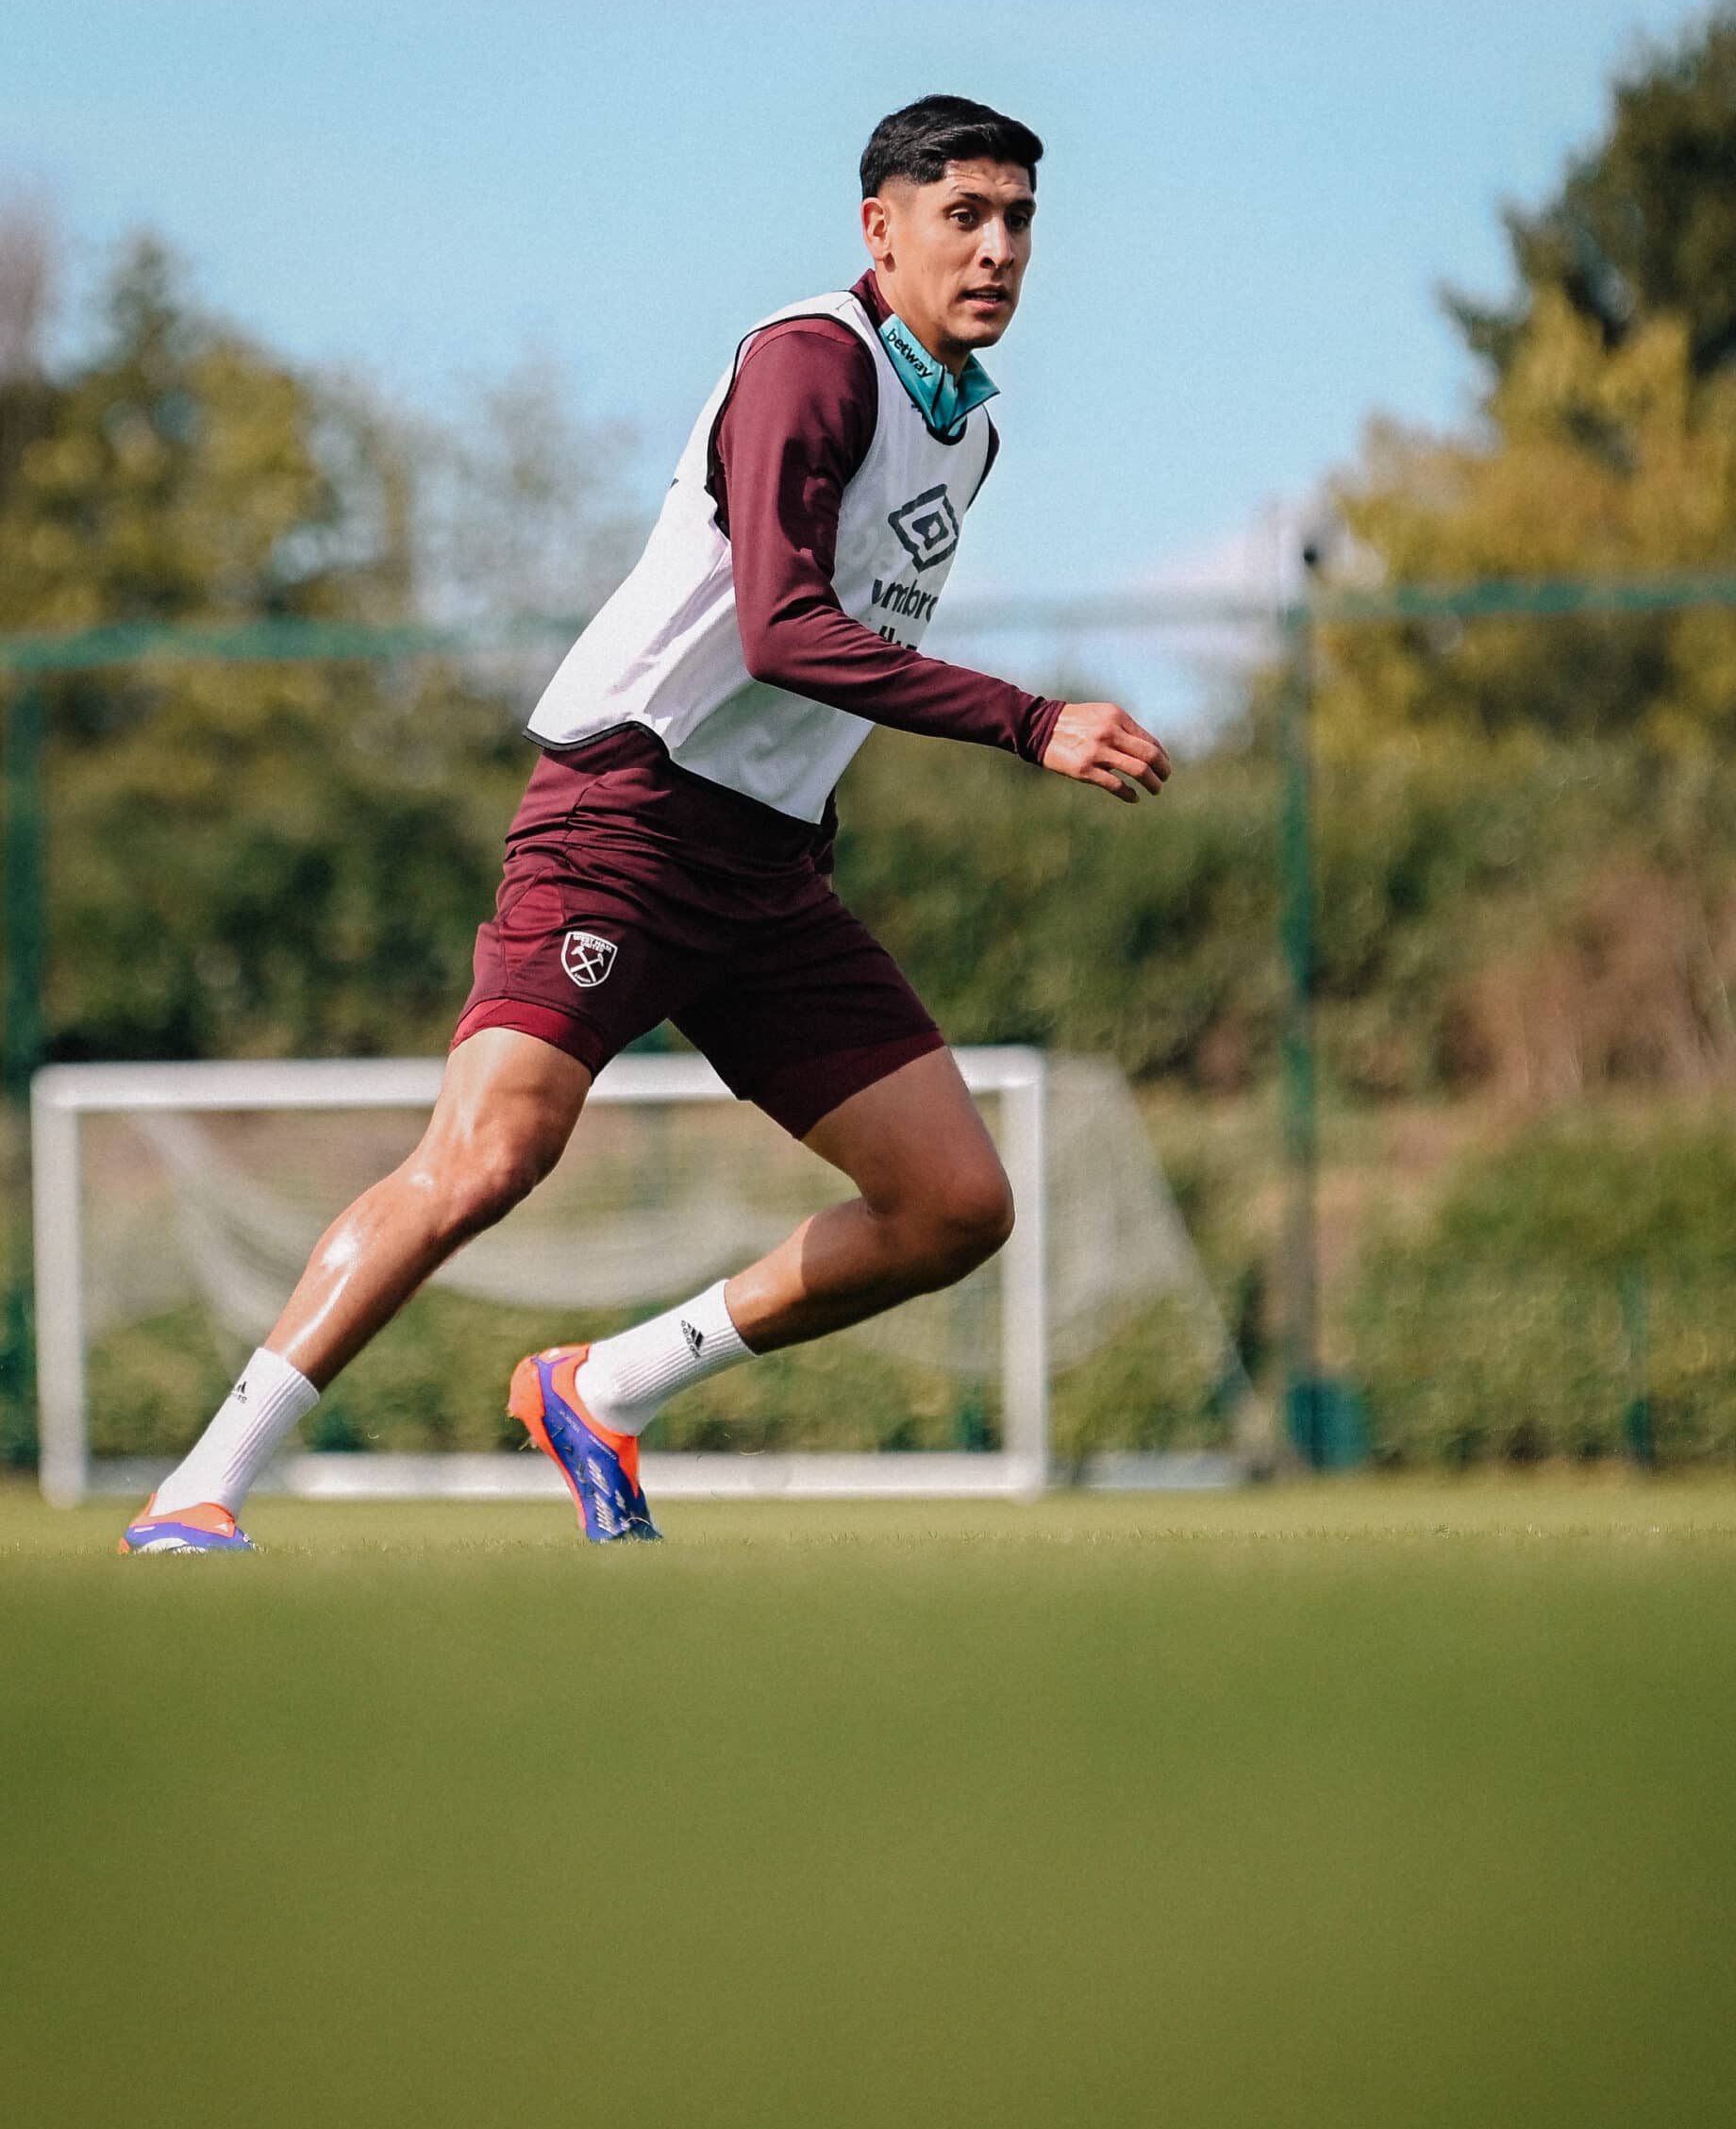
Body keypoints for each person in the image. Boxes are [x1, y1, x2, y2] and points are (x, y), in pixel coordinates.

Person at [122, 92, 1172, 1552]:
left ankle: (603, 1386)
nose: (997, 249)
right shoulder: (814, 363)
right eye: (966, 216)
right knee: (487, 1158)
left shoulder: (969, 434)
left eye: (1020, 222)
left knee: (952, 1205)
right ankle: (199, 1487)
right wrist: (1028, 717)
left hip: (767, 867)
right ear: (882, 229)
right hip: (626, 815)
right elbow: (783, 634)